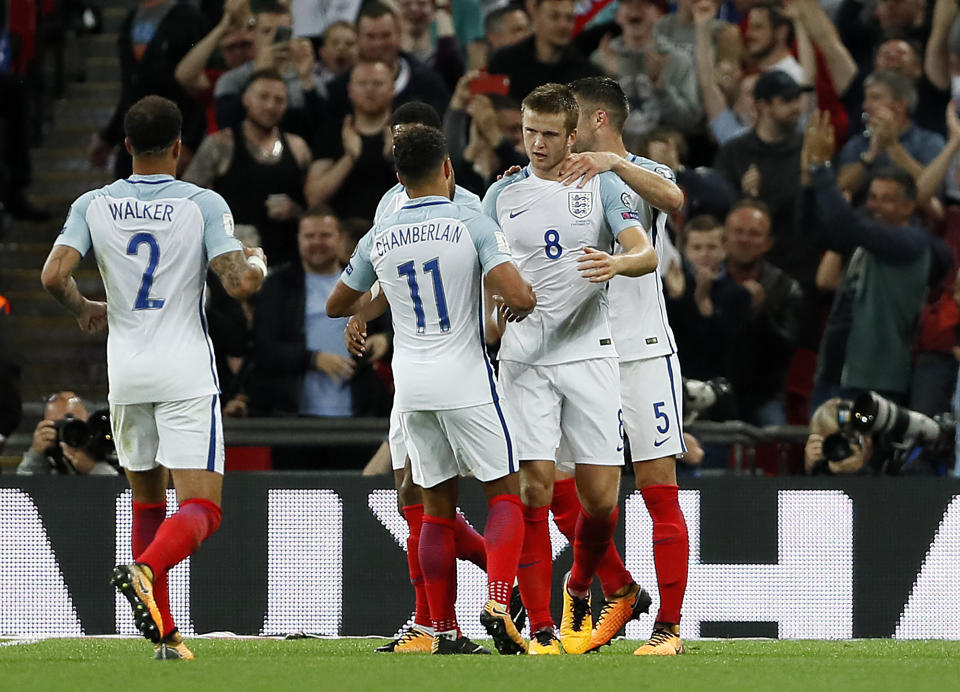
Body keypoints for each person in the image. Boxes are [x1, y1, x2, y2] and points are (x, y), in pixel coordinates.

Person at [41, 95, 267, 661]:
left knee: (147, 503)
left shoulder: (93, 203)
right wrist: (257, 263)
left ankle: (165, 637)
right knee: (203, 508)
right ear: (179, 148)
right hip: (185, 370)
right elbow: (238, 283)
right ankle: (145, 570)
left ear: (125, 148)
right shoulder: (201, 203)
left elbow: (51, 276)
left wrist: (83, 307)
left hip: (127, 373)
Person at [326, 124, 537, 655]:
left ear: (399, 177)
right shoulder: (472, 221)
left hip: (411, 385)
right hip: (464, 375)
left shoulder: (382, 231)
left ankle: (437, 627)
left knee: (433, 510)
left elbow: (337, 302)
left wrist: (373, 304)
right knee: (504, 492)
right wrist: (519, 294)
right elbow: (518, 296)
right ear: (448, 168)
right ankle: (496, 599)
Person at [483, 83, 657, 654]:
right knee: (533, 491)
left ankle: (581, 585)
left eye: (549, 133)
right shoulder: (502, 194)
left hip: (590, 354)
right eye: (529, 131)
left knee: (601, 501)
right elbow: (479, 265)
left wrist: (619, 262)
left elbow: (645, 250)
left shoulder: (601, 183)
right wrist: (490, 318)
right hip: (525, 359)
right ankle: (540, 628)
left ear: (573, 134)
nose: (536, 143)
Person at [554, 76, 689, 655]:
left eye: (572, 121)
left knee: (659, 487)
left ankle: (669, 629)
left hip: (642, 350)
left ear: (599, 121)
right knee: (561, 488)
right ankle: (620, 588)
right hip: (579, 353)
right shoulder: (557, 177)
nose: (564, 132)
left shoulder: (642, 175)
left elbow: (674, 200)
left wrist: (611, 165)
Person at [801, 111, 938, 411]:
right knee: (818, 456)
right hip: (836, 374)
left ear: (908, 207)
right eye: (872, 197)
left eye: (886, 199)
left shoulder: (910, 243)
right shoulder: (867, 234)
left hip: (876, 382)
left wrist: (822, 167)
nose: (874, 206)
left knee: (860, 458)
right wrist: (808, 179)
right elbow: (814, 230)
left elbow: (843, 221)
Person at [250, 206, 389, 419]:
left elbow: (395, 328)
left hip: (359, 414)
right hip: (291, 416)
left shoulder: (366, 283)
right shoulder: (278, 285)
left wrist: (384, 340)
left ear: (340, 239)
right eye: (309, 236)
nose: (317, 242)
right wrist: (312, 359)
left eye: (325, 235)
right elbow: (263, 349)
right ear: (298, 239)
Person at [184, 69, 311, 267]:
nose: (270, 106)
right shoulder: (220, 144)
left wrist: (295, 210)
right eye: (263, 97)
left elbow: (314, 203)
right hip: (235, 262)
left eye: (279, 100)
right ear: (246, 99)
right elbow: (188, 200)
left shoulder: (298, 147)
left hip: (287, 262)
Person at [713, 70, 813, 286]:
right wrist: (744, 199)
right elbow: (718, 208)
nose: (796, 106)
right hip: (744, 271)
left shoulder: (809, 150)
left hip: (798, 269)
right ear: (762, 106)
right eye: (787, 100)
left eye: (797, 98)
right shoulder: (734, 152)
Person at [88, 0, 208, 179]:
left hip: (173, 138)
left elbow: (200, 89)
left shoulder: (190, 18)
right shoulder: (130, 20)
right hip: (134, 141)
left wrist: (190, 143)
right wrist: (108, 137)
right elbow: (130, 91)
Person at [723, 200, 804, 425]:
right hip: (716, 389)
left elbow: (786, 345)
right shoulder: (707, 283)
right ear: (725, 237)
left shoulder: (785, 287)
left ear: (767, 243)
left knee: (778, 443)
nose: (744, 240)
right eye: (738, 232)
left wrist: (760, 311)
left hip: (764, 394)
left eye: (754, 233)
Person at [212, 2, 325, 141]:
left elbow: (322, 133)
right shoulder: (231, 79)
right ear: (253, 35)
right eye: (266, 31)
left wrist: (307, 80)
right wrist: (259, 73)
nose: (273, 39)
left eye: (282, 32)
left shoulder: (308, 79)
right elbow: (226, 125)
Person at [589, 0, 701, 137]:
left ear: (659, 15)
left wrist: (660, 87)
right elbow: (588, 123)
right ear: (618, 15)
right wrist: (610, 80)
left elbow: (690, 121)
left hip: (662, 153)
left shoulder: (678, 61)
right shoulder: (601, 59)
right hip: (614, 153)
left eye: (645, 3)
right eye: (628, 3)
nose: (635, 9)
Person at [324, 1, 451, 119]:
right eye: (370, 36)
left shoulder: (429, 85)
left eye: (386, 35)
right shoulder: (337, 92)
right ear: (358, 38)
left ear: (399, 35)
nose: (378, 44)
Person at [305, 60, 398, 220]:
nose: (370, 89)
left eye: (378, 83)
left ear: (392, 89)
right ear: (350, 90)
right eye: (362, 83)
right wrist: (349, 158)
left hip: (396, 231)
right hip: (343, 234)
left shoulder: (408, 131)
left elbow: (429, 190)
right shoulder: (331, 133)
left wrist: (397, 158)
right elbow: (314, 197)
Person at [836, 70, 946, 201]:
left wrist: (893, 146)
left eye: (875, 98)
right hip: (862, 217)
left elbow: (935, 192)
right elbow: (839, 190)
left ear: (900, 105)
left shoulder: (929, 142)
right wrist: (870, 154)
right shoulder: (857, 143)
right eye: (866, 98)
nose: (865, 106)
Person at [486, 0, 600, 101]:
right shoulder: (504, 62)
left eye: (569, 18)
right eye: (554, 17)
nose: (563, 25)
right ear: (535, 17)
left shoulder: (588, 76)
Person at [17, 391, 117, 476]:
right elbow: (23, 489)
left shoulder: (104, 442)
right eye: (57, 424)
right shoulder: (48, 452)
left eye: (74, 423)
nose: (67, 430)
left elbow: (123, 491)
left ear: (88, 419)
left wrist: (93, 468)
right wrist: (36, 454)